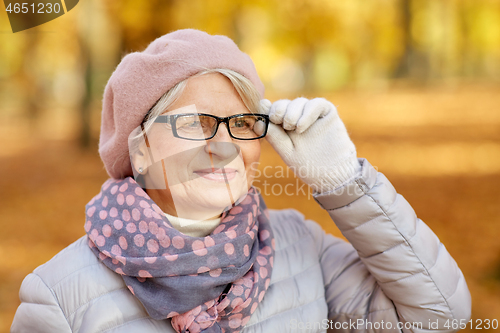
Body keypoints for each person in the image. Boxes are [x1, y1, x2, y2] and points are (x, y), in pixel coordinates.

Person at [11, 29, 471, 333]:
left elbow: (439, 318)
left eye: (243, 122)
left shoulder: (300, 247)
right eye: (194, 123)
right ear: (141, 148)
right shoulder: (58, 298)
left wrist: (344, 181)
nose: (223, 145)